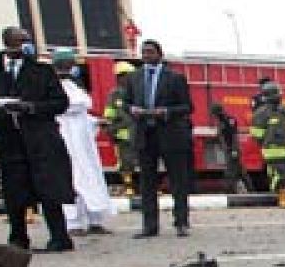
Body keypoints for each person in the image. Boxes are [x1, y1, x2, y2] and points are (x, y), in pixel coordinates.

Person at [0, 25, 75, 251]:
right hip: (8, 139)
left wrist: (30, 107)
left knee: (48, 187)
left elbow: (60, 103)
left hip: (40, 138)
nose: (27, 45)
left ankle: (59, 237)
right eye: (22, 41)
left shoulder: (42, 71)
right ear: (9, 43)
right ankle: (18, 238)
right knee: (14, 189)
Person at [124, 39, 194, 238]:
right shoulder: (134, 78)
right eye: (143, 52)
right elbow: (126, 103)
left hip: (170, 134)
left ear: (159, 54)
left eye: (150, 52)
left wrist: (165, 112)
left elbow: (187, 107)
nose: (146, 55)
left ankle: (181, 222)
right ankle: (150, 226)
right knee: (147, 183)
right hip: (145, 135)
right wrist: (132, 110)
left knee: (177, 181)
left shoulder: (175, 78)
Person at [51, 50, 115, 235]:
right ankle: (73, 223)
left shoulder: (73, 85)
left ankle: (95, 219)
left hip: (83, 141)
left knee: (91, 176)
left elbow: (82, 113)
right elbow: (66, 108)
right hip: (66, 138)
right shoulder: (52, 86)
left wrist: (96, 122)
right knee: (72, 178)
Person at [250, 82, 285, 207]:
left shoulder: (283, 110)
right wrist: (269, 144)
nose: (280, 96)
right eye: (278, 94)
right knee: (279, 176)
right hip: (275, 153)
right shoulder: (261, 113)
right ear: (271, 95)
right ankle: (282, 198)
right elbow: (257, 134)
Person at [101, 61, 136, 196]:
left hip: (138, 133)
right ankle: (128, 187)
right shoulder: (115, 94)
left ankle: (149, 188)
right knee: (126, 163)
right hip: (123, 135)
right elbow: (109, 114)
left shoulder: (137, 92)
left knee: (144, 162)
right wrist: (110, 128)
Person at [209, 104, 247, 194]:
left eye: (214, 114)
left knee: (231, 171)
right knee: (239, 170)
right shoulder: (221, 121)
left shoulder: (228, 121)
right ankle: (247, 189)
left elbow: (233, 136)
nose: (213, 116)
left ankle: (229, 190)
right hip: (228, 149)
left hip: (232, 149)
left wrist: (234, 150)